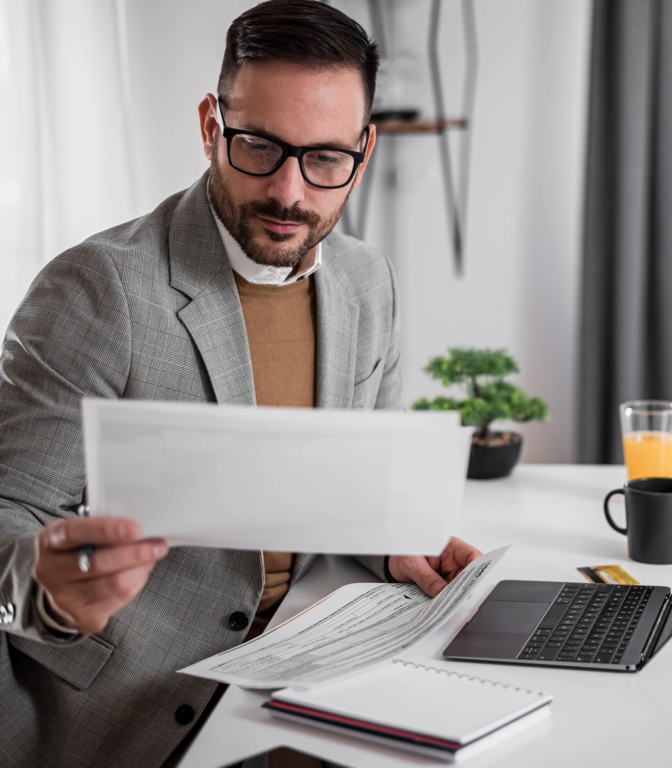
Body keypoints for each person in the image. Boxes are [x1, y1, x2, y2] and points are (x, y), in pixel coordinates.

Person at [0, 2, 481, 766]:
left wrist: (390, 545)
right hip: (139, 703)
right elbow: (8, 519)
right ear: (209, 125)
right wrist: (48, 591)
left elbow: (345, 475)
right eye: (258, 145)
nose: (291, 191)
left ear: (365, 148)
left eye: (326, 158)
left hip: (311, 662)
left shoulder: (368, 282)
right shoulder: (96, 289)